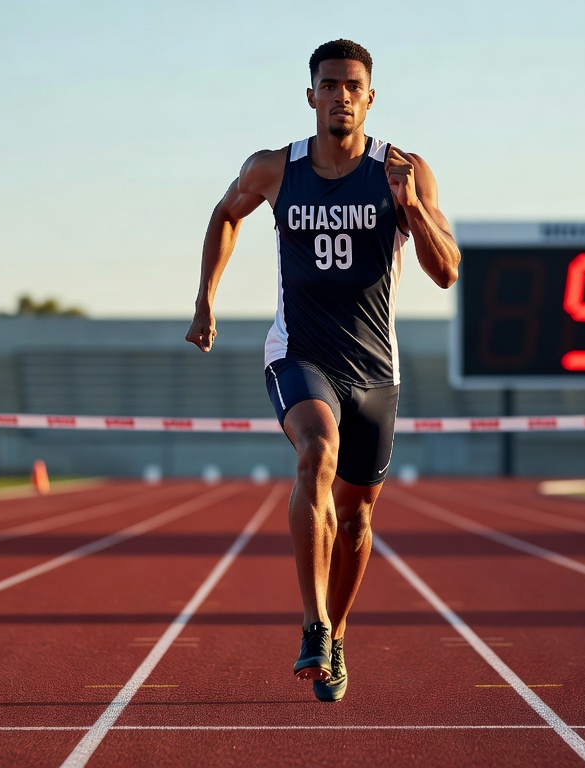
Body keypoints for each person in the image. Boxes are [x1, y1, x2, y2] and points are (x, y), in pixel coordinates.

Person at [185, 39, 460, 702]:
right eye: (329, 85)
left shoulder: (404, 169)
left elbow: (447, 270)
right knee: (317, 451)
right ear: (311, 95)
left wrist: (411, 208)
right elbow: (226, 213)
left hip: (374, 368)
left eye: (352, 86)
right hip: (299, 353)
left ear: (370, 98)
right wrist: (205, 300)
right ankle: (313, 623)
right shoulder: (274, 169)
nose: (341, 96)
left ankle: (335, 633)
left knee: (358, 517)